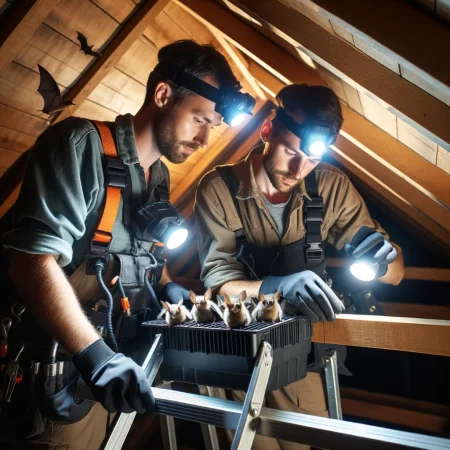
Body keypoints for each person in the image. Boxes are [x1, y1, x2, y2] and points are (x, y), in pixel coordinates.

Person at [0, 40, 249, 449]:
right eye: (200, 119)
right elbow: (31, 263)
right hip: (63, 375)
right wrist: (94, 357)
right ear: (164, 95)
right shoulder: (80, 144)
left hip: (117, 371)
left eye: (213, 126)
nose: (205, 139)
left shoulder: (159, 176)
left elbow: (139, 258)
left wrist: (169, 286)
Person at [194, 84, 404, 450]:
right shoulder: (219, 189)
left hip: (303, 354)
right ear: (266, 132)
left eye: (310, 158)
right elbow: (217, 282)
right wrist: (276, 285)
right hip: (239, 353)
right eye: (290, 151)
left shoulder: (329, 187)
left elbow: (397, 273)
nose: (298, 169)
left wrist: (382, 257)